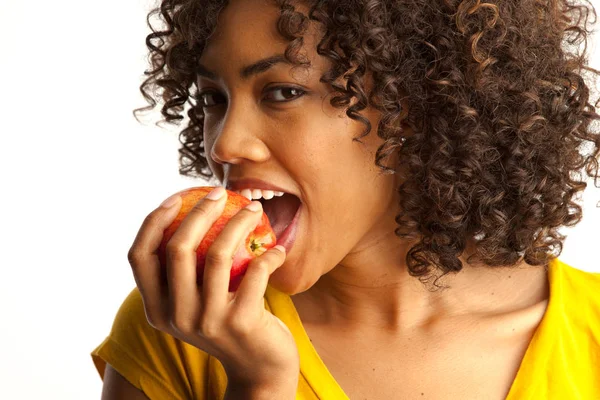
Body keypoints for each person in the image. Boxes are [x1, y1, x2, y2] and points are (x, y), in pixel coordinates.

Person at [91, 0, 600, 398]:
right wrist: (259, 386)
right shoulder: (184, 324)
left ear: (415, 107)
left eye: (283, 92)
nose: (224, 143)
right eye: (214, 99)